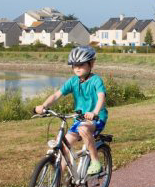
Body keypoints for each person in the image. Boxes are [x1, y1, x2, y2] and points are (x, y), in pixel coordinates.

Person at [35, 46, 107, 177]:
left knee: (84, 129)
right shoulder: (73, 81)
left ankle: (95, 162)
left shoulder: (96, 80)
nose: (77, 68)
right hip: (79, 119)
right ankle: (57, 182)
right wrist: (43, 106)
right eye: (74, 65)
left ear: (91, 64)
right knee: (63, 146)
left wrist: (95, 112)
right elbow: (57, 95)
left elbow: (101, 97)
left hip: (97, 118)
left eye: (81, 65)